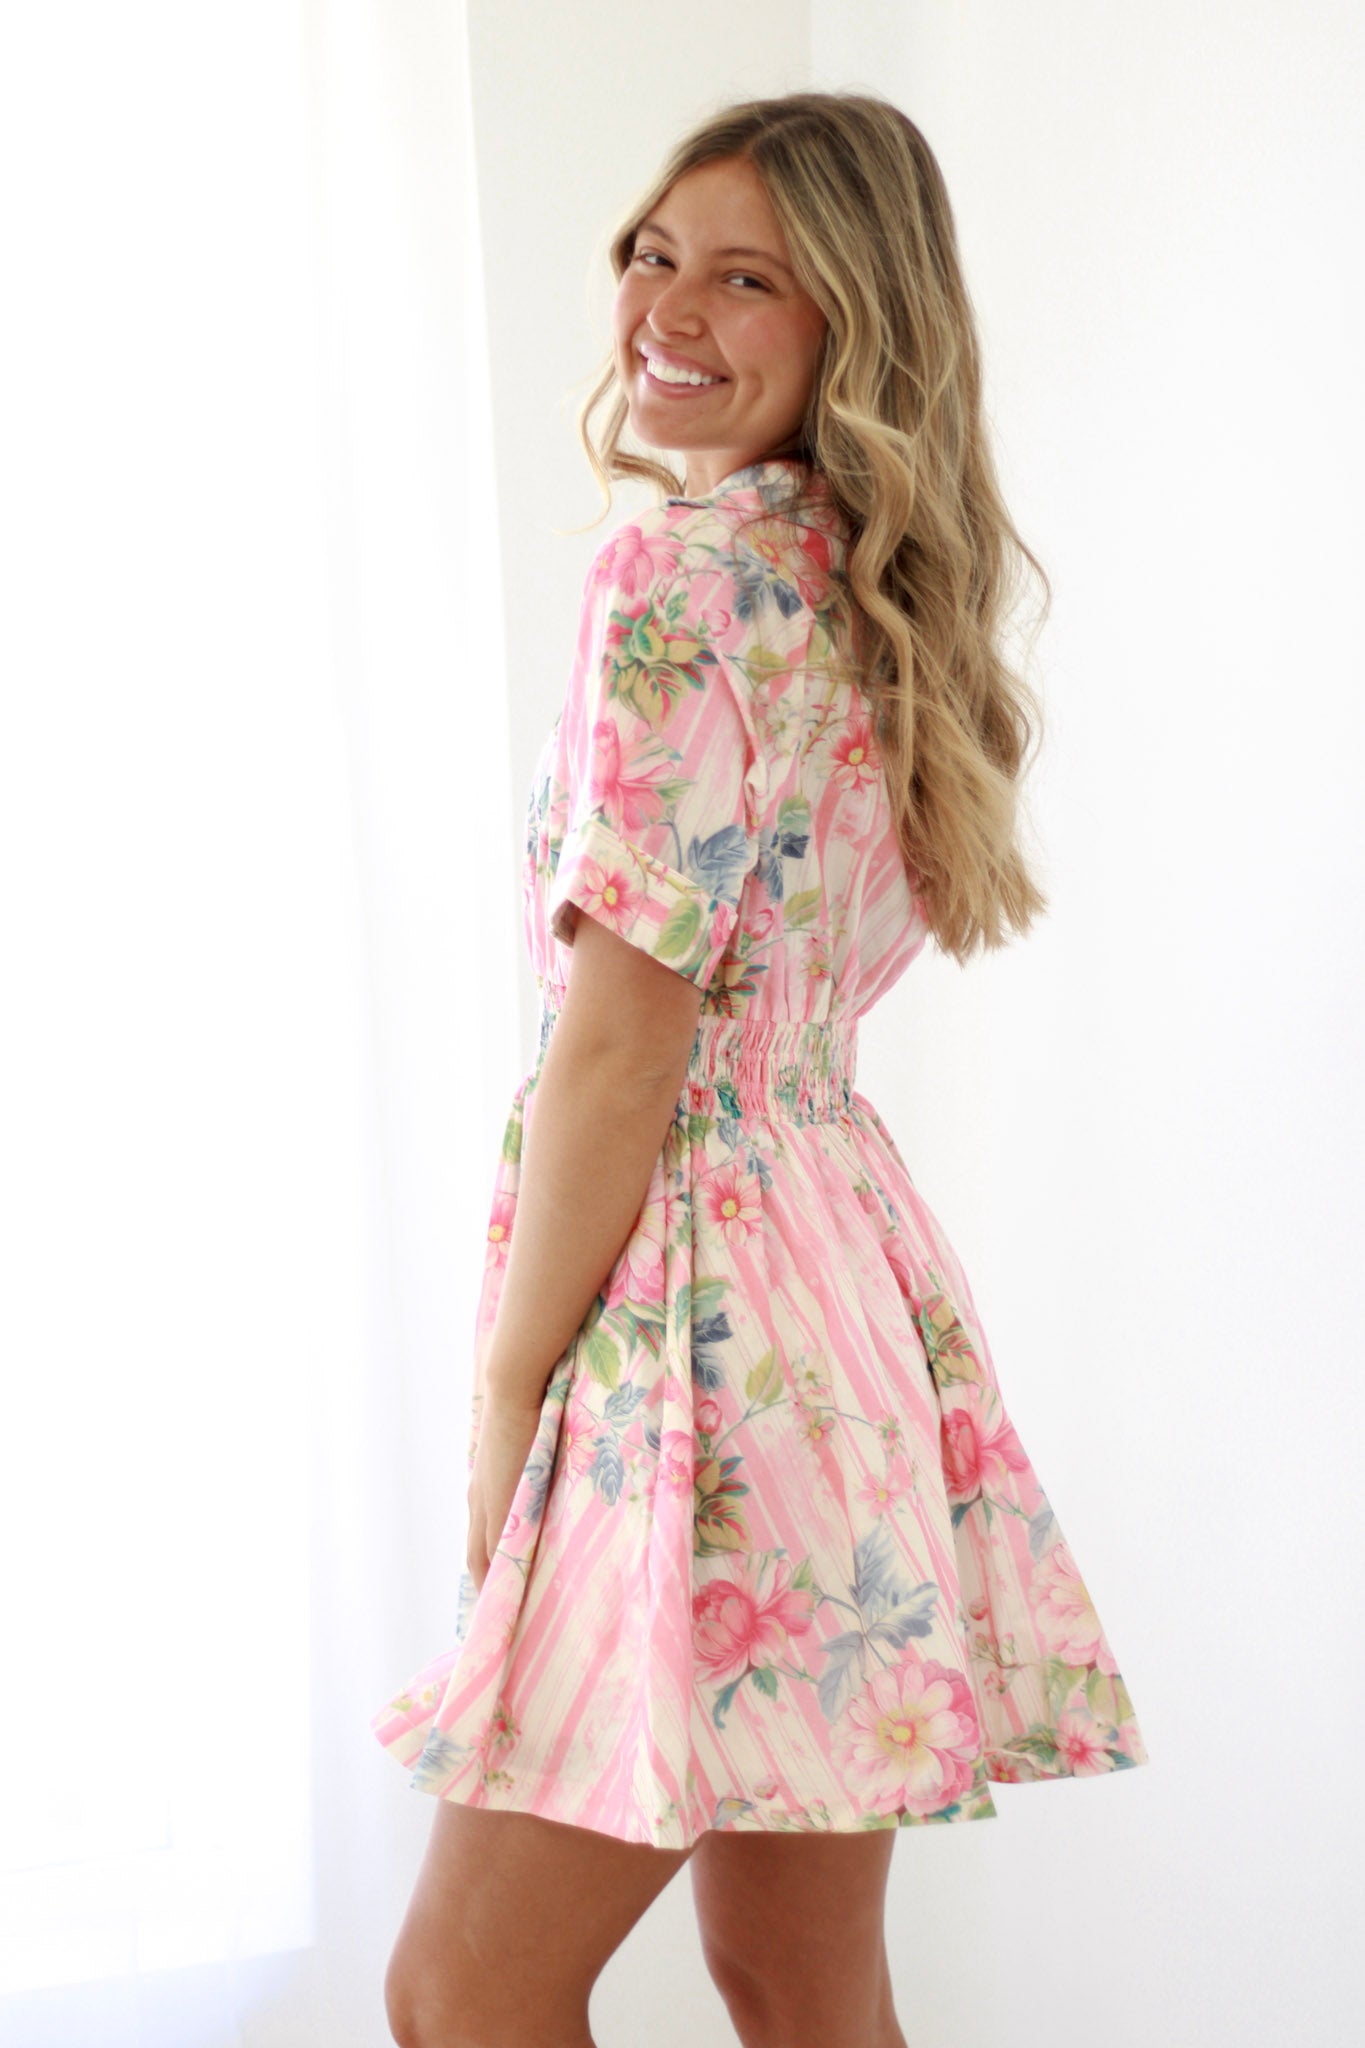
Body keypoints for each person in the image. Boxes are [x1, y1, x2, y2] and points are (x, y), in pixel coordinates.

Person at [376, 90, 1150, 2048]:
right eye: (654, 254)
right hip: (845, 1307)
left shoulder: (678, 578)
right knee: (802, 1985)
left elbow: (620, 1042)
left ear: (851, 324)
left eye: (744, 281)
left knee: (463, 1989)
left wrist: (504, 1388)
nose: (667, 311)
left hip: (688, 1329)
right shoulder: (874, 589)